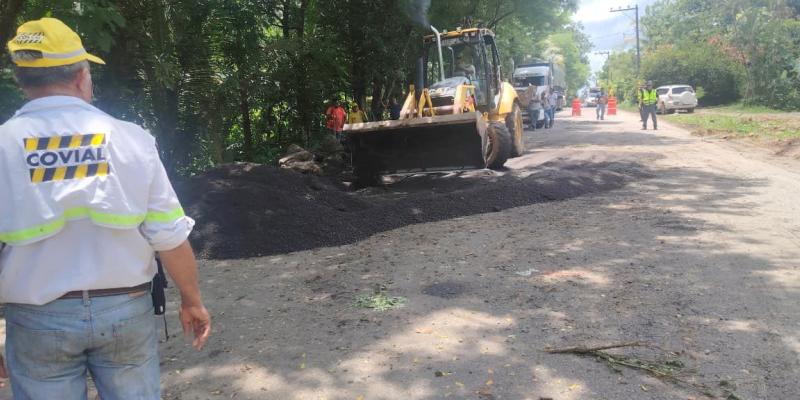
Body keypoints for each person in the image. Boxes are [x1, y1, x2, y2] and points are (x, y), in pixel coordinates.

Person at [0, 18, 211, 399]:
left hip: (36, 319)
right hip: (124, 310)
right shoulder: (130, 139)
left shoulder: (4, 145)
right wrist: (192, 300)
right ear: (82, 76)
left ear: (21, 81)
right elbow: (169, 235)